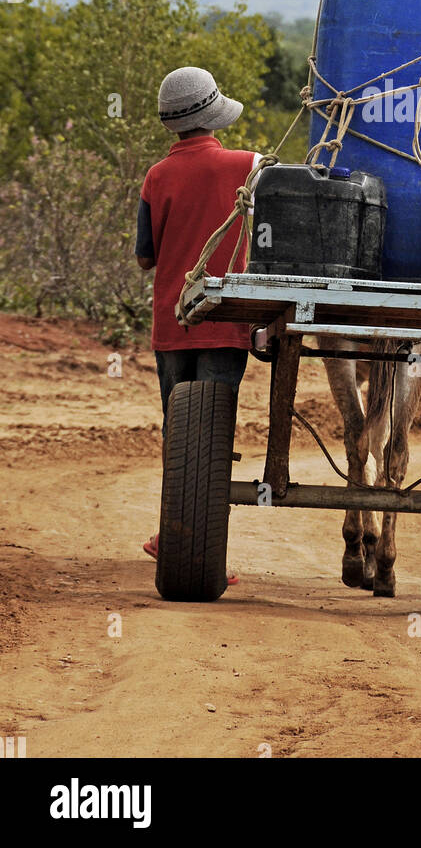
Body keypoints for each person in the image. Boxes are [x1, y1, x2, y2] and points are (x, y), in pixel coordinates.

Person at [135, 66, 261, 577]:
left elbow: (146, 258)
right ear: (214, 117)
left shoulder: (156, 177)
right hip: (227, 323)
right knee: (211, 437)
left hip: (173, 323)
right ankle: (197, 550)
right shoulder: (250, 167)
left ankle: (175, 536)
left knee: (180, 432)